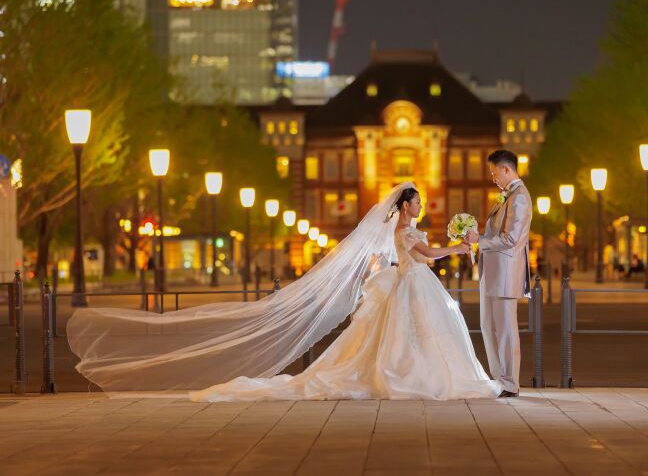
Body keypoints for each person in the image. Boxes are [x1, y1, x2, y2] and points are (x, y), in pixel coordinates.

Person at [68, 182, 500, 401]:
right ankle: (414, 377)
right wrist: (458, 248)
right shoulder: (406, 231)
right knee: (415, 335)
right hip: (411, 284)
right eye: (416, 202)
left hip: (412, 285)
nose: (420, 206)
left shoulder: (406, 229)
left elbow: (424, 257)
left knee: (408, 336)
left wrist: (455, 247)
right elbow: (426, 254)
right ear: (404, 205)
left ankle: (411, 375)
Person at [465, 150, 532, 398]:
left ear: (507, 169)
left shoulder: (520, 197)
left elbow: (511, 239)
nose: (493, 179)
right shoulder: (508, 196)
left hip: (505, 272)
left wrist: (480, 240)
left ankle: (510, 382)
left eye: (494, 173)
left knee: (505, 329)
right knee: (488, 326)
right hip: (492, 271)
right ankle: (499, 379)